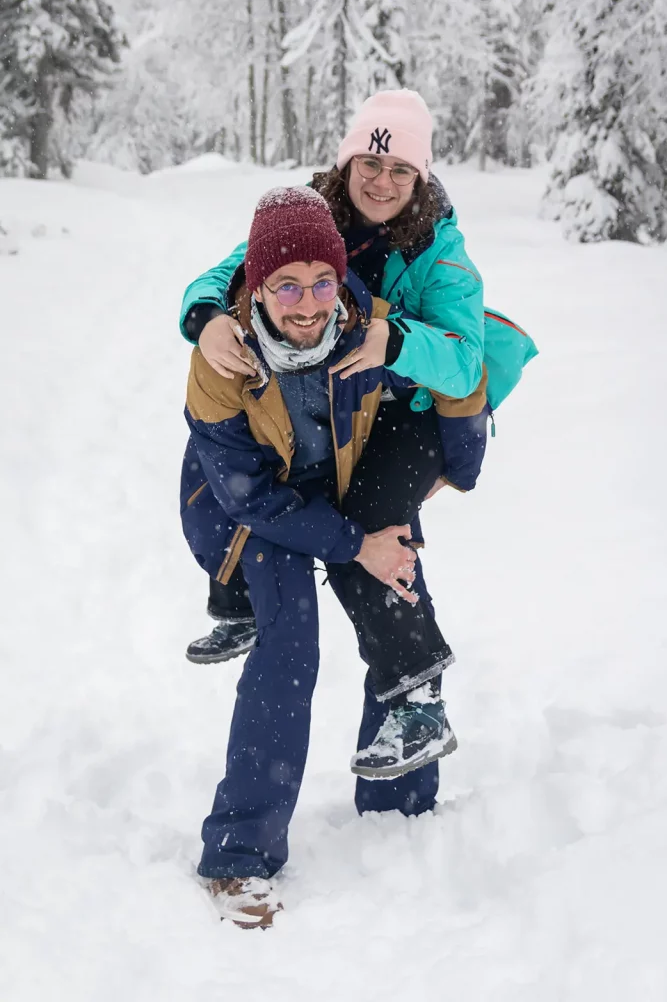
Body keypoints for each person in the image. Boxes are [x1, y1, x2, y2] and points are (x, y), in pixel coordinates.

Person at [181, 187, 488, 927]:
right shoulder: (220, 359)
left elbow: (463, 370)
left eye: (322, 280)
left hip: (347, 484)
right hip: (259, 510)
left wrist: (457, 464)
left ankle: (399, 810)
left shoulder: (372, 328)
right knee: (289, 646)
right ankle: (239, 853)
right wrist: (354, 544)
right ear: (255, 286)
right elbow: (248, 498)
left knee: (396, 588)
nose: (308, 301)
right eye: (285, 284)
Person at [181, 89, 490, 668]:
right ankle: (237, 601)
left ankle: (414, 686)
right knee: (220, 451)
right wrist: (205, 317)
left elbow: (466, 363)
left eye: (400, 169)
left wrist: (395, 340)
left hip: (408, 406)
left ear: (420, 177)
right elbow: (231, 270)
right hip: (333, 394)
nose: (381, 181)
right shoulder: (311, 215)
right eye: (369, 163)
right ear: (348, 162)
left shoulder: (441, 252)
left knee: (371, 523)